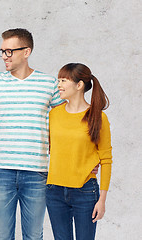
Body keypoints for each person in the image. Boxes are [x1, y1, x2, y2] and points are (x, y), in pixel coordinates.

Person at [0, 28, 65, 239]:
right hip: (2, 171)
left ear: (27, 51)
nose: (4, 56)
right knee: (2, 236)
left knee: (33, 235)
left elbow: (66, 119)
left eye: (9, 51)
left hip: (37, 172)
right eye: (2, 51)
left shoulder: (49, 84)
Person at [46, 63, 112, 240]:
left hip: (85, 191)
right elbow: (51, 148)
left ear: (79, 85)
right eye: (58, 80)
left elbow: (106, 159)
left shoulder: (97, 117)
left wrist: (102, 200)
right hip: (54, 191)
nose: (58, 85)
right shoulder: (53, 115)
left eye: (63, 80)